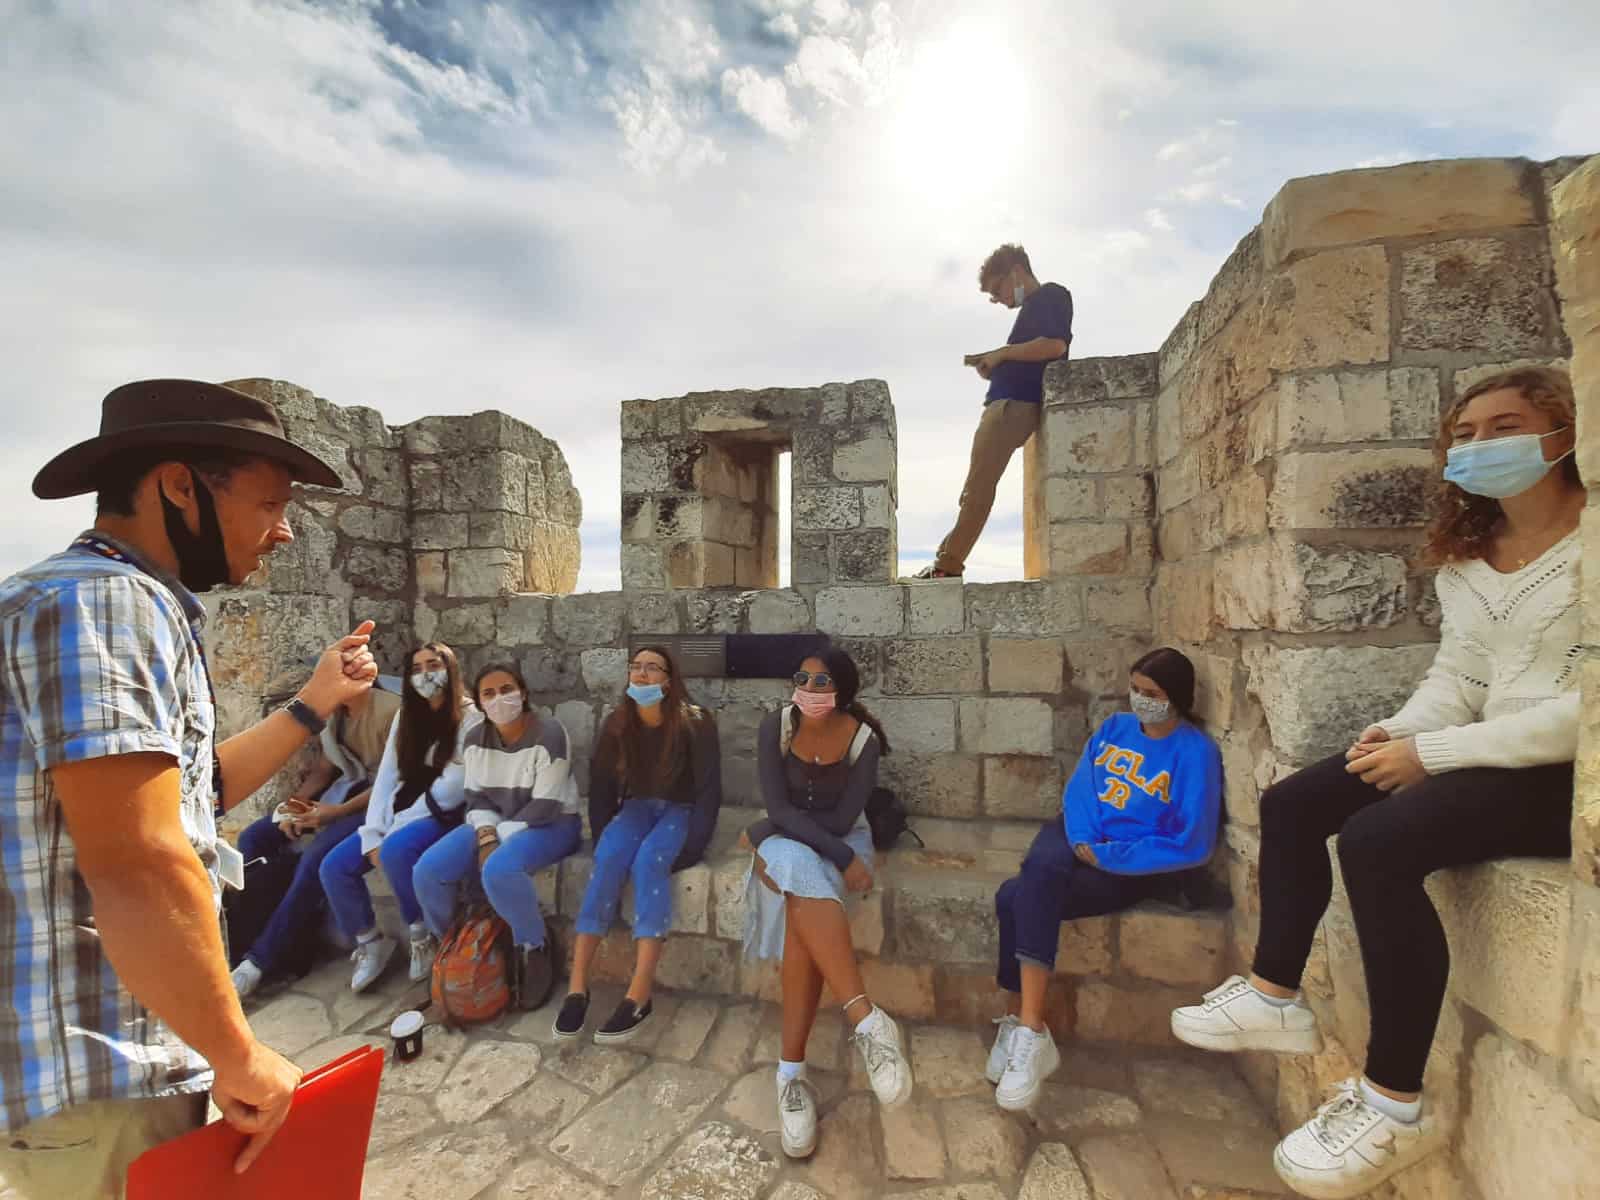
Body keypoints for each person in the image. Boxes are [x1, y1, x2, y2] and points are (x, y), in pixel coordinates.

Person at [1170, 365, 1583, 1200]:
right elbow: (1460, 676)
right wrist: (1404, 731)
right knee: (1296, 801)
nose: (1477, 447)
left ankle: (1393, 1102)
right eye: (1463, 435)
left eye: (1503, 428)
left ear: (1564, 437)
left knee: (1377, 841)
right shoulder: (1471, 560)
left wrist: (1435, 756)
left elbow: (1587, 710)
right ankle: (1275, 993)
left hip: (1566, 774)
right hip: (1479, 747)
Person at [0, 379, 379, 1198]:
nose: (282, 532)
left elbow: (190, 803)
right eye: (269, 503)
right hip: (97, 1070)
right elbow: (139, 859)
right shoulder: (104, 605)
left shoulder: (99, 601)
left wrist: (315, 705)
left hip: (108, 1065)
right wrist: (239, 1055)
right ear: (178, 486)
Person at [989, 648, 1222, 1110]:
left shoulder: (1195, 754)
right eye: (1135, 688)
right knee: (1039, 869)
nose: (1140, 700)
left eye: (1151, 693)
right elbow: (1081, 789)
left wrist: (1111, 856)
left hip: (1129, 864)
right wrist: (1083, 839)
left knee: (1013, 897)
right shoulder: (1115, 729)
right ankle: (1029, 1028)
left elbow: (1191, 841)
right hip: (1078, 836)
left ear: (1175, 697)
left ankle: (1023, 1022)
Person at [741, 645, 912, 1160]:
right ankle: (865, 1018)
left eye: (821, 683)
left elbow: (840, 821)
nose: (809, 691)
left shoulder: (862, 740)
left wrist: (770, 829)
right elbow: (777, 804)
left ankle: (790, 1074)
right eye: (802, 680)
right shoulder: (776, 726)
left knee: (802, 917)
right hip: (800, 844)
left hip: (837, 837)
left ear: (842, 689)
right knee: (795, 865)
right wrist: (782, 828)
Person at [555, 645, 722, 1043]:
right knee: (609, 860)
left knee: (651, 861)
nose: (642, 675)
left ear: (668, 679)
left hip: (677, 810)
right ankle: (578, 988)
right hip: (636, 809)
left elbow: (708, 791)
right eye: (636, 667)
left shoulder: (695, 723)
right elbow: (601, 788)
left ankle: (639, 994)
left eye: (652, 668)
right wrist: (601, 835)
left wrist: (694, 847)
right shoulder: (618, 724)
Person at [414, 661, 580, 1012]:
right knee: (428, 870)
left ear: (523, 693)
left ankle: (534, 948)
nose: (499, 699)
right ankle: (459, 947)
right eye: (488, 693)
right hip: (495, 822)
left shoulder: (549, 734)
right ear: (479, 702)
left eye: (506, 689)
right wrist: (487, 835)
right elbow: (476, 798)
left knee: (499, 870)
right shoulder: (475, 739)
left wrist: (496, 839)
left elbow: (547, 804)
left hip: (552, 824)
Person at [318, 642, 481, 992]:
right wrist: (374, 831)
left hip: (444, 812)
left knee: (396, 851)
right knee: (334, 867)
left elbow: (454, 785)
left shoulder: (470, 717)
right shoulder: (407, 717)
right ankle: (369, 941)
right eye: (417, 668)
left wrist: (397, 828)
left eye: (433, 665)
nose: (425, 675)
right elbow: (388, 776)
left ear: (450, 669)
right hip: (401, 810)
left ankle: (420, 933)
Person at [229, 677, 402, 997]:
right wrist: (293, 806)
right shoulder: (334, 714)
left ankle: (257, 963)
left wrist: (332, 814)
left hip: (379, 804)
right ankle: (257, 938)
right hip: (344, 793)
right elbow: (325, 769)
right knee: (254, 839)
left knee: (314, 860)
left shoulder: (390, 711)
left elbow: (391, 782)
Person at [913, 243, 1072, 579]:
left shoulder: (1051, 296)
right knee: (977, 486)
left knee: (977, 487)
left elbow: (1055, 346)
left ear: (1015, 271)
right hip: (1006, 405)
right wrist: (993, 361)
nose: (998, 300)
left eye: (996, 290)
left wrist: (1002, 354)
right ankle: (947, 563)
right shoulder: (1033, 308)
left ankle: (947, 566)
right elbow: (1029, 350)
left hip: (1011, 407)